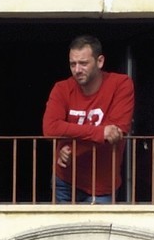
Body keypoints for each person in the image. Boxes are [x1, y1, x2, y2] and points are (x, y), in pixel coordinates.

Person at [42, 31, 134, 203]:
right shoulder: (62, 88)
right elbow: (50, 128)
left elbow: (115, 131)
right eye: (72, 64)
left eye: (83, 63)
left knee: (99, 230)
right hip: (64, 179)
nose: (77, 70)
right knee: (63, 230)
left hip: (103, 185)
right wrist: (100, 133)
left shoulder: (121, 84)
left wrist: (70, 148)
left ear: (100, 61)